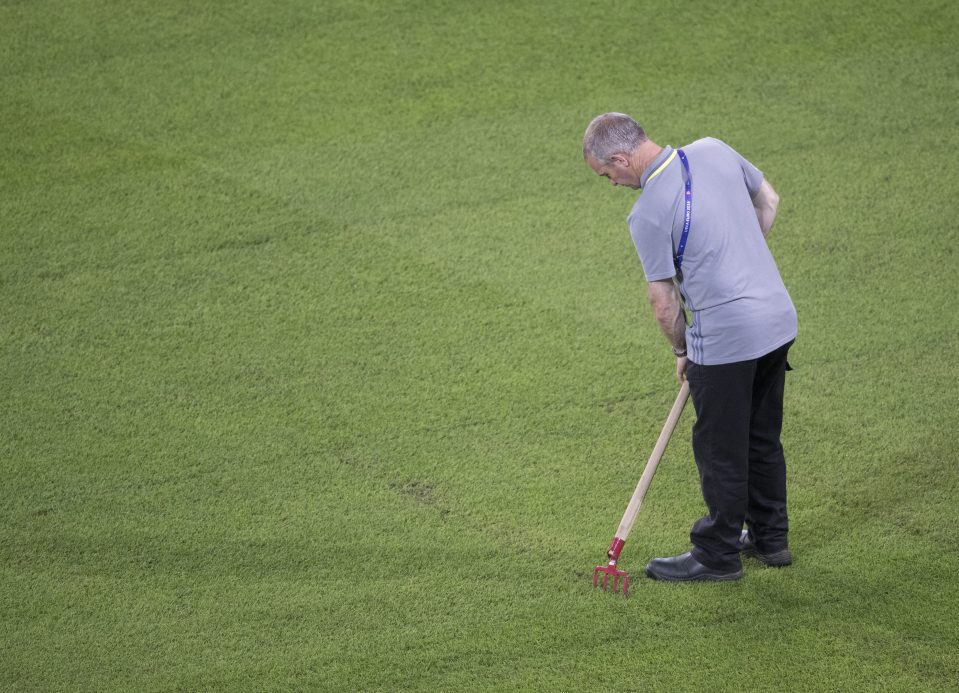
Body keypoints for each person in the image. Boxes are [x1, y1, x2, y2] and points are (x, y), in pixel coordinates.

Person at [582, 112, 797, 582]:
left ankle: (717, 555)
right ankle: (770, 539)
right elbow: (770, 200)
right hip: (778, 320)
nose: (614, 184)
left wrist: (684, 349)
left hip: (725, 338)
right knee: (762, 436)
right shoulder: (714, 149)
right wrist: (737, 256)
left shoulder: (646, 214)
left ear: (620, 158)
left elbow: (663, 303)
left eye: (608, 176)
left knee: (720, 448)